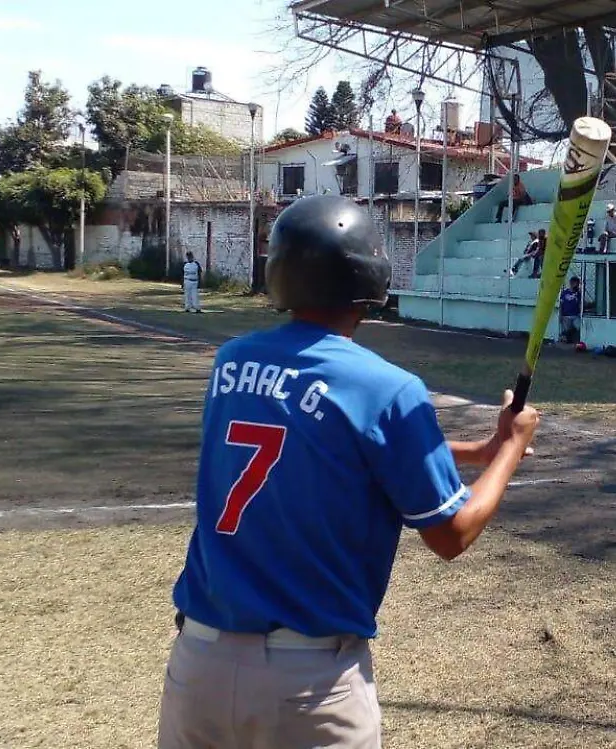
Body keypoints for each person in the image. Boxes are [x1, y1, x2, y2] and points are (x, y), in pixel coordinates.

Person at [156, 194, 540, 749]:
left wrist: (478, 449)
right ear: (370, 276)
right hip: (308, 683)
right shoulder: (387, 388)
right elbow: (452, 535)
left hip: (199, 666)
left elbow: (317, 442)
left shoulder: (232, 362)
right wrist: (509, 449)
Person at [559, 276, 586, 343]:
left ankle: (575, 340)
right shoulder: (565, 293)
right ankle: (567, 338)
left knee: (579, 327)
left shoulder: (578, 293)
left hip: (575, 315)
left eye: (577, 284)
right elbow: (561, 305)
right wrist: (560, 315)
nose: (576, 285)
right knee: (567, 330)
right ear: (571, 283)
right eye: (575, 283)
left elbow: (581, 304)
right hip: (566, 315)